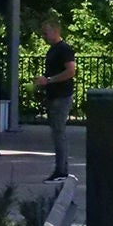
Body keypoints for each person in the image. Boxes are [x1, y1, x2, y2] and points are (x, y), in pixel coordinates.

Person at [33, 16, 77, 182]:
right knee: (57, 132)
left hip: (62, 96)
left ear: (56, 31)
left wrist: (49, 80)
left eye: (46, 33)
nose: (43, 37)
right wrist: (43, 80)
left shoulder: (64, 49)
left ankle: (61, 171)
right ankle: (60, 169)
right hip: (54, 95)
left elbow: (71, 71)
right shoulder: (53, 50)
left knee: (59, 133)